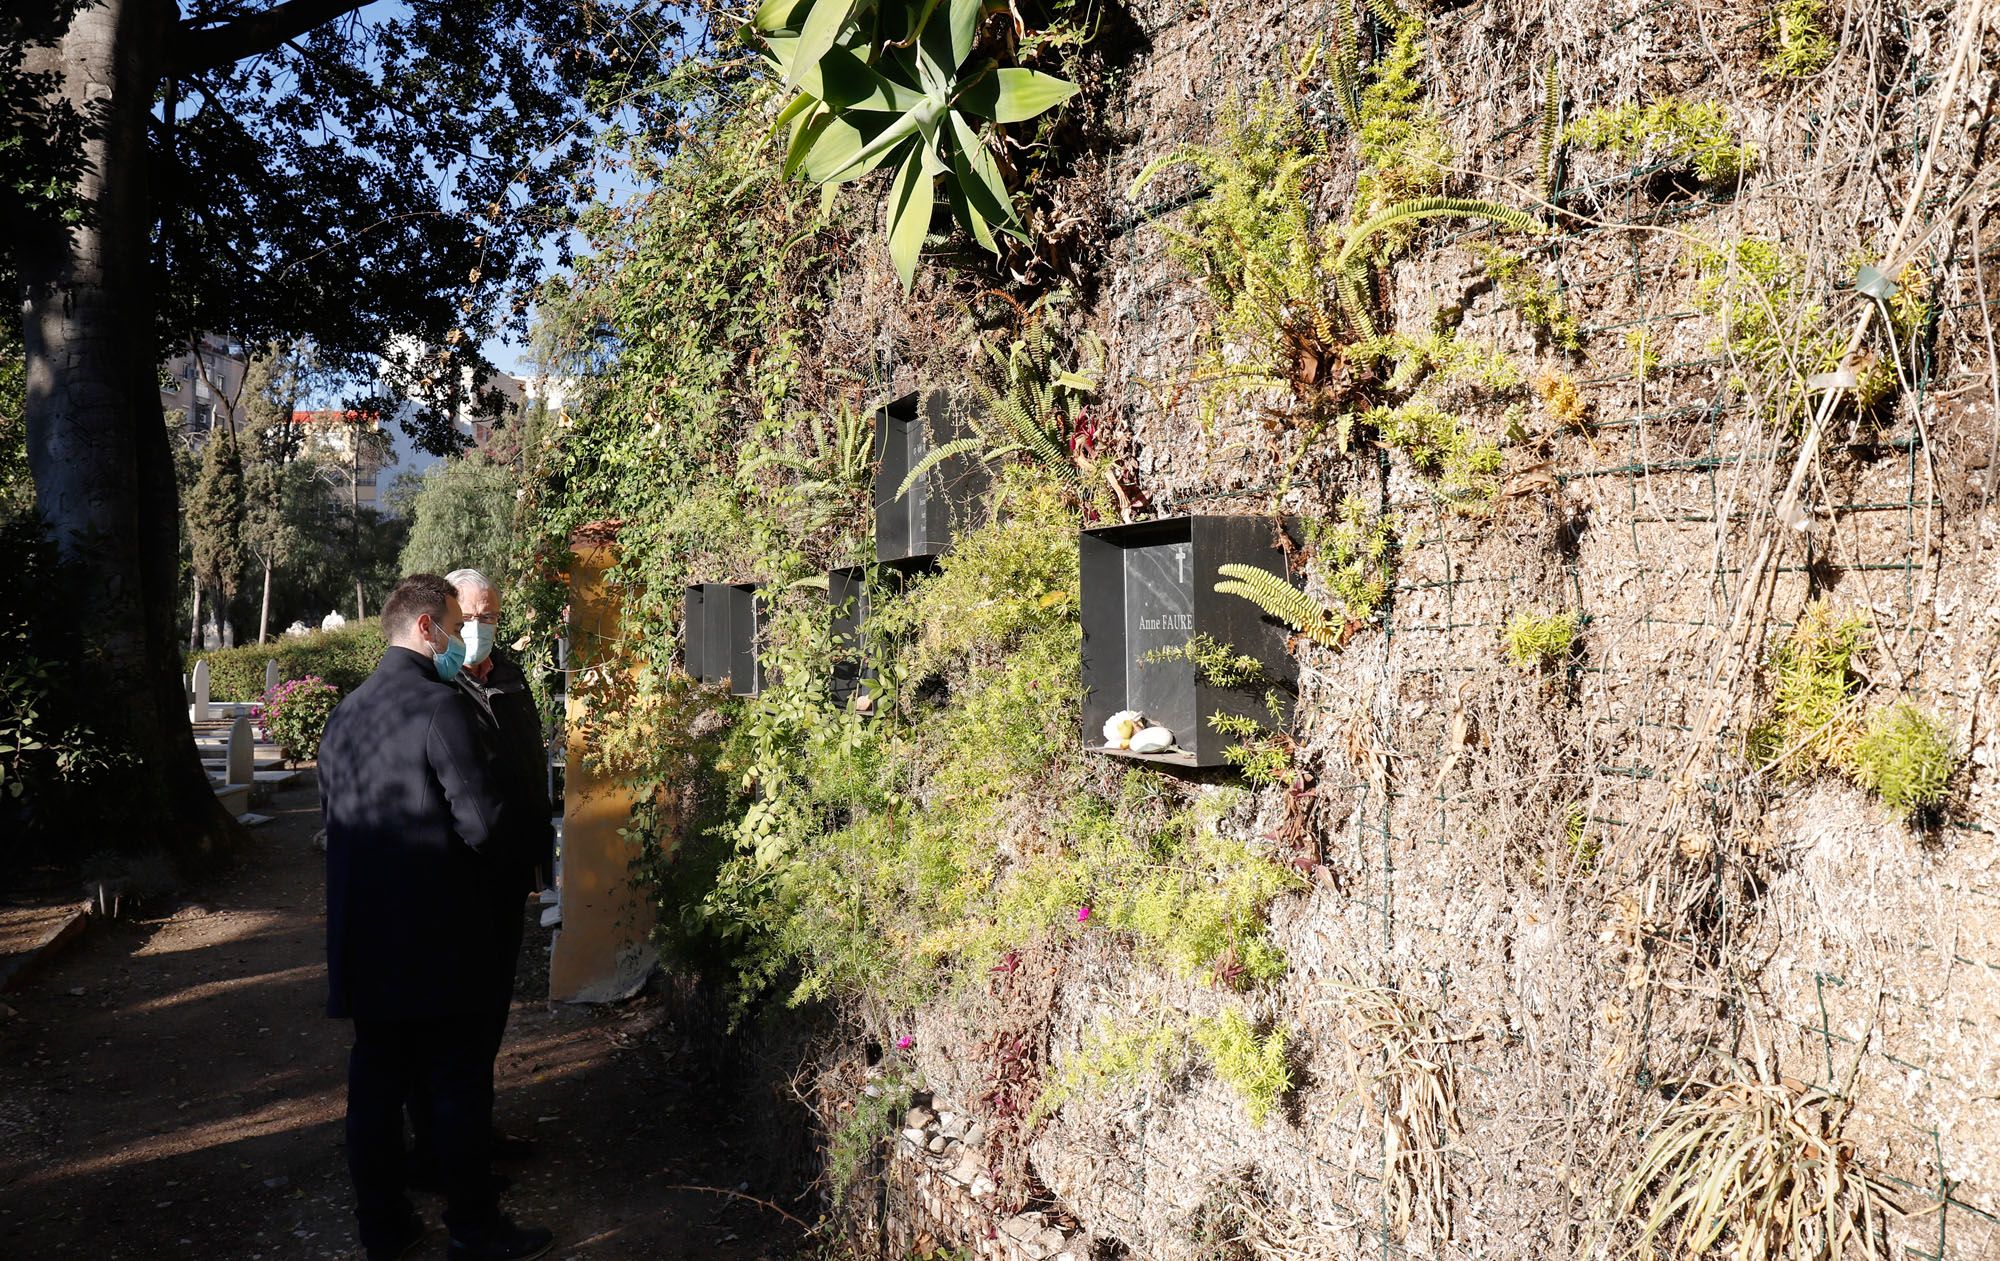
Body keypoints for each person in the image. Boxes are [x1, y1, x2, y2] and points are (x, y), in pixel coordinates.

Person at [319, 573, 554, 1261]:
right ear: (426, 627)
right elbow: (482, 824)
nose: (460, 637)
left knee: (375, 1086)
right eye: (454, 623)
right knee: (456, 1083)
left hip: (364, 935)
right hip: (440, 937)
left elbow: (336, 822)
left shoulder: (346, 713)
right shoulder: (440, 707)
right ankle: (474, 1228)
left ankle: (383, 1227)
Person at [401, 567, 553, 1177]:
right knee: (446, 1024)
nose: (482, 627)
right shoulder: (436, 685)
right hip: (458, 883)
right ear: (444, 622)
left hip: (507, 878)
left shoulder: (511, 677)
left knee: (489, 1016)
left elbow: (529, 767)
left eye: (491, 616)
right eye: (471, 617)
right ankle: (436, 1148)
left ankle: (473, 1133)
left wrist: (539, 863)